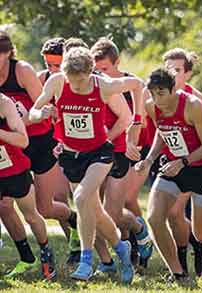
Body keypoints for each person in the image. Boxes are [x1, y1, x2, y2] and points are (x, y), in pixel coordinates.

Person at [29, 47, 144, 283]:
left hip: (99, 154)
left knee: (81, 198)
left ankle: (85, 260)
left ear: (90, 73)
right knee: (95, 211)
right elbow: (33, 112)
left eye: (81, 81)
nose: (77, 86)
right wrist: (41, 114)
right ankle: (121, 249)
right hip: (71, 156)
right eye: (72, 81)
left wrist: (134, 121)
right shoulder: (58, 82)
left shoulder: (105, 86)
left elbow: (138, 85)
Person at [0, 30, 80, 266]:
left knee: (45, 207)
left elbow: (42, 113)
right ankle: (29, 257)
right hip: (11, 146)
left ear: (7, 53)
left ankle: (74, 222)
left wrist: (18, 124)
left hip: (39, 142)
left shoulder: (22, 71)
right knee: (5, 205)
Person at [135, 68, 202, 281]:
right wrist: (150, 159)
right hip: (171, 166)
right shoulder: (151, 106)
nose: (156, 99)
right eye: (152, 93)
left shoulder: (193, 105)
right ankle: (178, 272)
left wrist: (183, 162)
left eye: (161, 93)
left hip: (200, 168)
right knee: (154, 218)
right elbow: (162, 134)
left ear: (173, 90)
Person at [89, 38, 153, 273]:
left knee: (113, 213)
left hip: (123, 149)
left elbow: (139, 119)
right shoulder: (93, 82)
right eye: (97, 69)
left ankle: (138, 228)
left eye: (105, 68)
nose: (101, 73)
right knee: (94, 208)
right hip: (97, 151)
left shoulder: (130, 86)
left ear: (117, 62)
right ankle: (113, 259)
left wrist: (129, 140)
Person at [0, 93, 56, 280]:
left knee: (31, 216)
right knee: (4, 209)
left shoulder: (4, 103)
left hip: (14, 170)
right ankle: (26, 257)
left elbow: (23, 140)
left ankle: (46, 252)